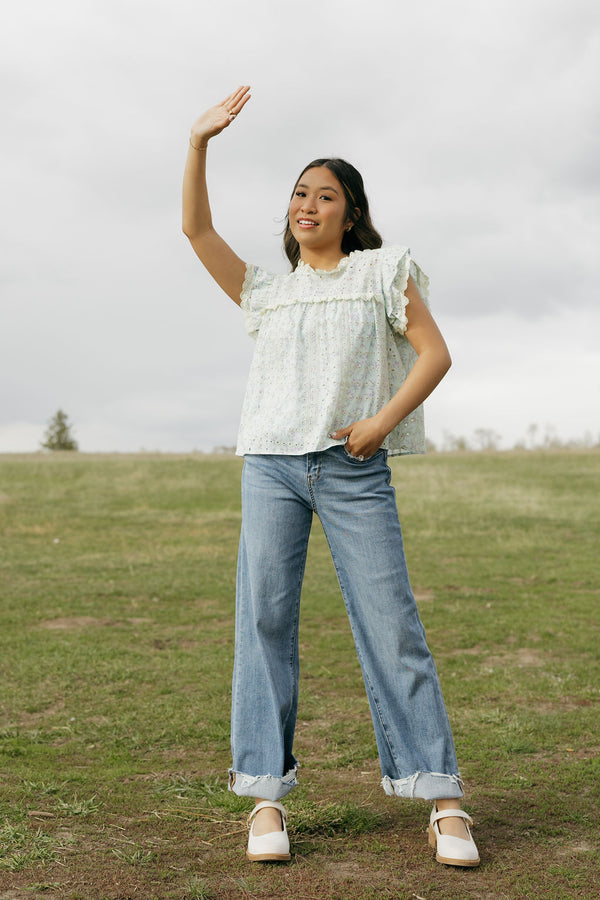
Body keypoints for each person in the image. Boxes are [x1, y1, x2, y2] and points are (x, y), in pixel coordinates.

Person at [182, 85, 480, 868]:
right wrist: (199, 142)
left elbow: (435, 354)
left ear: (350, 214)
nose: (307, 204)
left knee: (392, 624)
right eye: (298, 194)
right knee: (265, 624)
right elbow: (195, 227)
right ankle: (265, 799)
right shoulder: (265, 289)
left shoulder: (384, 272)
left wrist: (380, 423)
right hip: (271, 468)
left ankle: (443, 798)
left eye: (326, 195)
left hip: (352, 470)